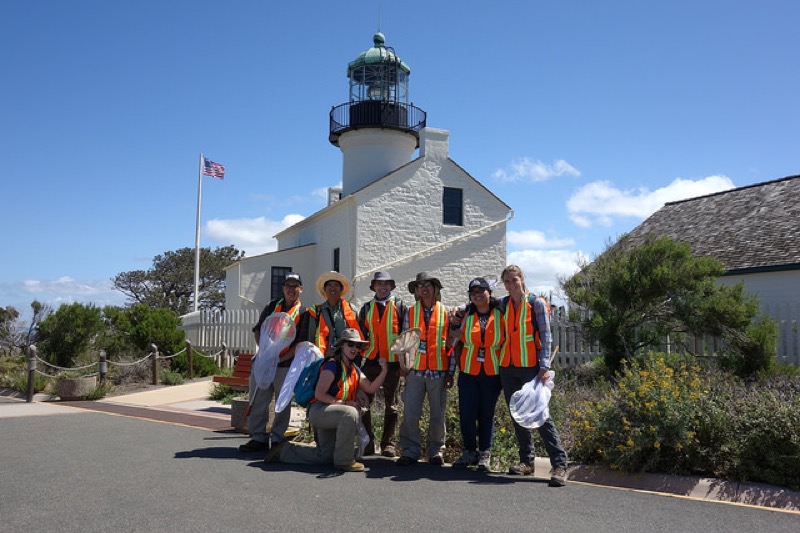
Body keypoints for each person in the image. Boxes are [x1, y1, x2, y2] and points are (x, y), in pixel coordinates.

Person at [265, 328, 388, 472]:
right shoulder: (332, 365)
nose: (354, 348)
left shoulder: (354, 369)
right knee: (350, 413)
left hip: (333, 414)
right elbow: (319, 394)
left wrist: (384, 370)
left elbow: (371, 388)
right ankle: (344, 461)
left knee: (324, 456)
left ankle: (283, 451)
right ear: (342, 345)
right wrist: (346, 403)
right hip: (319, 412)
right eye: (350, 344)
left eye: (357, 346)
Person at [499, 265, 568, 487]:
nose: (511, 285)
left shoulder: (535, 303)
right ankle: (526, 462)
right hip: (508, 367)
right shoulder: (503, 304)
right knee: (517, 413)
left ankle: (559, 465)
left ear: (522, 279)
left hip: (531, 367)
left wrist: (544, 364)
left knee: (541, 414)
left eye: (514, 280)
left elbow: (546, 335)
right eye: (507, 281)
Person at [239, 272, 307, 453]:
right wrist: (265, 354)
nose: (291, 290)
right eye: (288, 286)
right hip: (264, 362)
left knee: (281, 403)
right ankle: (258, 437)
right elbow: (258, 330)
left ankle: (277, 438)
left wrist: (279, 358)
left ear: (301, 289)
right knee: (259, 400)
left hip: (285, 365)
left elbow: (300, 343)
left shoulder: (304, 312)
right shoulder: (272, 306)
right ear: (283, 288)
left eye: (295, 286)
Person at [397, 272, 454, 466]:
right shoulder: (411, 312)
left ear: (434, 288)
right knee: (411, 413)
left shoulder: (445, 312)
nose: (424, 288)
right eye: (420, 285)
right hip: (416, 372)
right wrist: (404, 367)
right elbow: (405, 342)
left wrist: (450, 372)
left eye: (428, 284)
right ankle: (411, 450)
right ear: (417, 291)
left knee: (437, 414)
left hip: (438, 372)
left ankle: (436, 451)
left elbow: (450, 345)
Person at [450, 277, 506, 471]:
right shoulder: (465, 314)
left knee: (486, 415)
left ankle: (484, 454)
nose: (477, 295)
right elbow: (453, 335)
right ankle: (469, 452)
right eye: (473, 293)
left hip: (492, 372)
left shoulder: (501, 313)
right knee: (467, 414)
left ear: (489, 292)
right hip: (468, 371)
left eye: (481, 291)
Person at [357, 271, 408, 458]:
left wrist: (404, 364)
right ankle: (368, 442)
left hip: (393, 362)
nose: (383, 287)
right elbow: (361, 335)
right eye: (379, 284)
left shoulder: (400, 306)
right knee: (364, 402)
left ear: (391, 286)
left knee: (391, 405)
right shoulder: (366, 308)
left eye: (386, 284)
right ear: (374, 287)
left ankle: (388, 444)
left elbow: (406, 336)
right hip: (371, 361)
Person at [306, 272, 361, 355]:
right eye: (329, 285)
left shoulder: (351, 310)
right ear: (324, 289)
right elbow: (310, 339)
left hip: (346, 359)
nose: (332, 288)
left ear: (341, 289)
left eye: (336, 285)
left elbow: (357, 336)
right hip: (323, 358)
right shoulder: (316, 311)